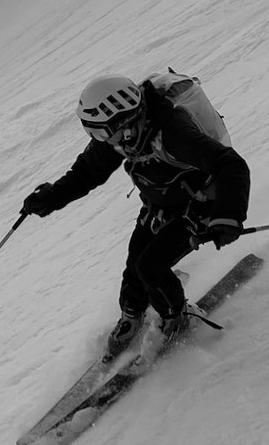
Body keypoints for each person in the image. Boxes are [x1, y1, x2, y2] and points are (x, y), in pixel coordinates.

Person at [21, 74, 251, 358]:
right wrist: (52, 197)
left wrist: (228, 216)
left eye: (102, 133)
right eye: (93, 134)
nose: (100, 141)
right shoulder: (124, 134)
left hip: (201, 204)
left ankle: (176, 317)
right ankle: (132, 314)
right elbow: (87, 172)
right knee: (134, 262)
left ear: (122, 121)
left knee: (150, 266)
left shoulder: (174, 132)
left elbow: (230, 165)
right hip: (162, 202)